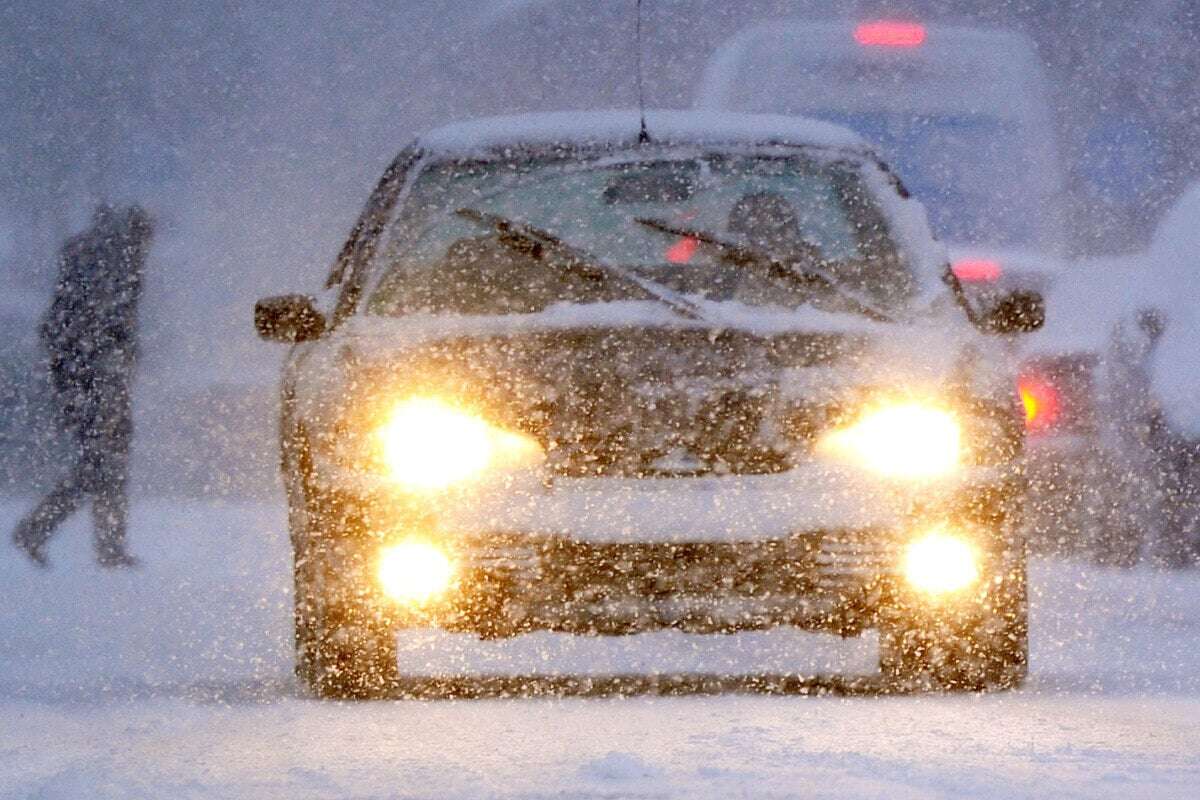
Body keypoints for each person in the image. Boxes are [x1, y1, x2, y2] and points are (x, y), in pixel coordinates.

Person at [11, 203, 154, 568]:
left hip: (89, 375)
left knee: (105, 463)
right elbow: (111, 325)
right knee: (103, 464)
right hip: (95, 377)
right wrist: (115, 360)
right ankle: (47, 532)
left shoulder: (96, 263)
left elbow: (88, 325)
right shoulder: (116, 267)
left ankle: (97, 543)